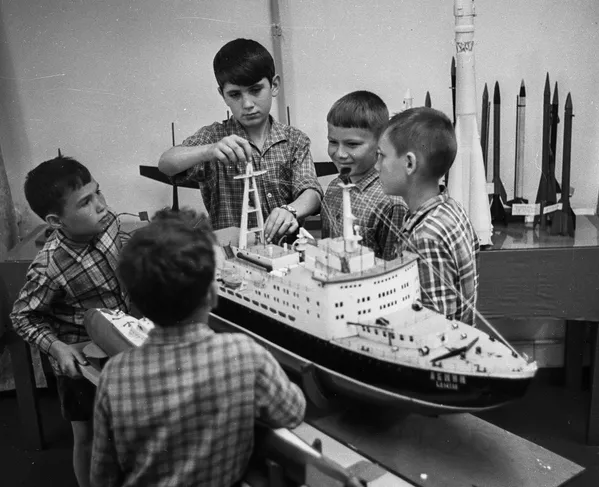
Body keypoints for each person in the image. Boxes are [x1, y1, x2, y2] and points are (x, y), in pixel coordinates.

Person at [90, 208, 306, 487]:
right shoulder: (244, 355)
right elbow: (291, 411)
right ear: (213, 294)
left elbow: (103, 476)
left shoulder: (115, 374)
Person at [10, 156, 131, 487]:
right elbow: (22, 316)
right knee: (88, 436)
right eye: (85, 202)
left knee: (123, 427)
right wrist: (58, 348)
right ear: (56, 220)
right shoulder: (48, 266)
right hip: (82, 363)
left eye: (98, 192)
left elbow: (121, 249)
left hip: (120, 348)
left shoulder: (108, 222)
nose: (102, 205)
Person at [158, 38, 322, 243]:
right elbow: (166, 163)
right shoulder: (214, 137)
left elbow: (312, 192)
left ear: (274, 85)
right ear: (223, 95)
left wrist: (291, 210)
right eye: (235, 94)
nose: (247, 104)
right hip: (230, 255)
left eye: (255, 90)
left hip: (287, 254)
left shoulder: (295, 140)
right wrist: (209, 151)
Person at [376, 107, 479, 325]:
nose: (377, 166)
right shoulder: (453, 210)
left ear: (409, 163)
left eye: (382, 156)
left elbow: (435, 327)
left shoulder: (425, 238)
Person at [322, 90, 407, 259]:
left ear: (380, 143)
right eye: (333, 142)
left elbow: (394, 266)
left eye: (352, 144)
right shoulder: (333, 188)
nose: (340, 154)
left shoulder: (391, 204)